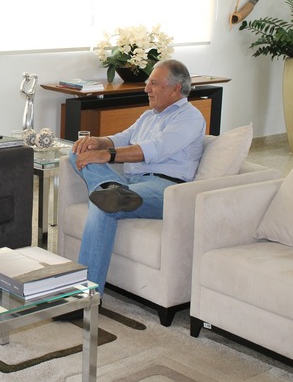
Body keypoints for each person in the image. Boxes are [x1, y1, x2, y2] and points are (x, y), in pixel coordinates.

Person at [70, 59, 205, 297]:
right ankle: (110, 187)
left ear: (175, 88)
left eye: (154, 83)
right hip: (131, 184)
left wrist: (106, 155)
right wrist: (97, 143)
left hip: (165, 187)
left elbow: (154, 149)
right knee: (78, 154)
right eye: (147, 83)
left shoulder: (190, 118)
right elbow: (122, 138)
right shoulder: (148, 116)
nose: (146, 89)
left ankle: (85, 295)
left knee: (104, 202)